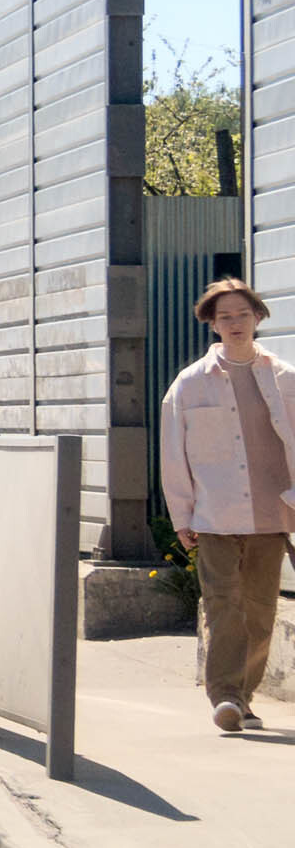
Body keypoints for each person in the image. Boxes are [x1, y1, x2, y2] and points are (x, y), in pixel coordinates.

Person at [159, 278, 295, 732]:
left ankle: (245, 697)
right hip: (214, 516)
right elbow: (173, 455)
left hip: (272, 514)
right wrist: (182, 516)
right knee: (223, 605)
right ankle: (226, 696)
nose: (234, 323)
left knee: (260, 612)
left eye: (242, 314)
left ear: (257, 318)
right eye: (224, 317)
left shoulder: (285, 379)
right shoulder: (190, 385)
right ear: (212, 325)